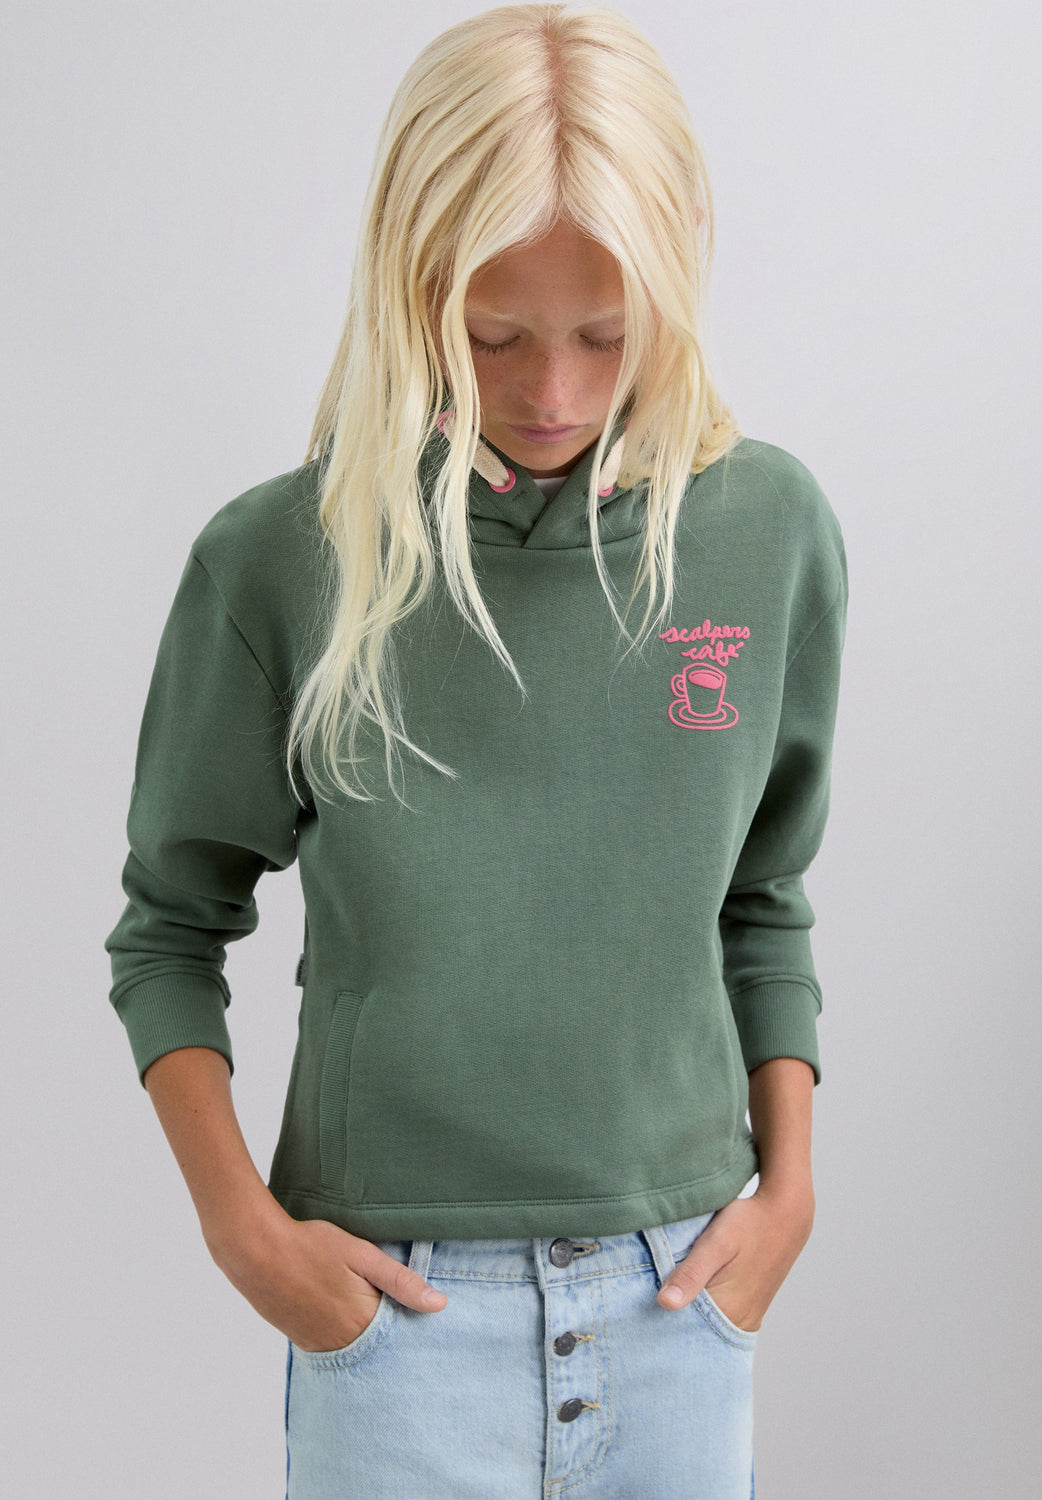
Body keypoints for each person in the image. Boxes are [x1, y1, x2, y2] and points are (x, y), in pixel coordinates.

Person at [104, 5, 848, 1496]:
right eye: (494, 335)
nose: (552, 393)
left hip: (680, 1296)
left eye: (606, 335)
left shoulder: (767, 533)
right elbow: (171, 926)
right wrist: (247, 1237)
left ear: (683, 265)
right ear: (410, 282)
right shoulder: (283, 561)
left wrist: (790, 1198)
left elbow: (761, 898)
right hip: (395, 1321)